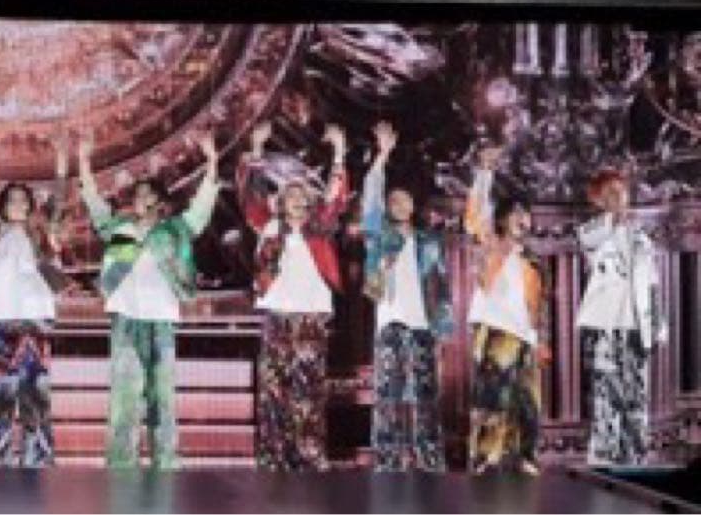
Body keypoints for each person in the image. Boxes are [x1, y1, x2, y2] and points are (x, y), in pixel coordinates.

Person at [78, 131, 220, 470]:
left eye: (148, 194)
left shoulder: (173, 230)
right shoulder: (122, 229)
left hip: (161, 316)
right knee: (125, 395)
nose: (142, 200)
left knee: (162, 395)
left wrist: (213, 161)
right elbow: (94, 203)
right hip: (126, 316)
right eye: (138, 195)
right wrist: (83, 162)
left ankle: (165, 461)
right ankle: (121, 463)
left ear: (161, 201)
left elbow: (201, 208)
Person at [235, 119, 350, 471]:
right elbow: (248, 193)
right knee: (275, 386)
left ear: (310, 202)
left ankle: (309, 454)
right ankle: (274, 454)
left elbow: (337, 195)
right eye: (291, 195)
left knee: (309, 387)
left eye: (303, 195)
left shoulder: (320, 226)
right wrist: (256, 150)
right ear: (281, 202)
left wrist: (339, 150)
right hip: (276, 314)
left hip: (310, 313)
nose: (297, 198)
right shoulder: (267, 224)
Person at [0, 136, 69, 467]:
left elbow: (58, 204)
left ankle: (39, 461)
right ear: (3, 205)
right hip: (0, 319)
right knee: (0, 397)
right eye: (12, 200)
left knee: (36, 396)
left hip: (37, 319)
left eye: (24, 200)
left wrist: (61, 167)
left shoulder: (40, 233)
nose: (18, 204)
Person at [360, 121, 453, 472]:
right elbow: (370, 198)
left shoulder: (429, 241)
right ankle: (388, 459)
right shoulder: (379, 235)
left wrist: (442, 328)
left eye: (405, 199)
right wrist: (382, 156)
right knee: (389, 394)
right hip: (391, 323)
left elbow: (441, 285)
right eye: (393, 200)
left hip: (423, 324)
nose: (399, 204)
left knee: (426, 395)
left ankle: (428, 458)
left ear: (414, 204)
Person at [464, 142, 549, 475]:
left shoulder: (534, 260)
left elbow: (539, 306)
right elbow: (475, 215)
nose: (521, 219)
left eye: (525, 213)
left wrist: (539, 340)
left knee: (527, 400)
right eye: (514, 212)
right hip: (496, 330)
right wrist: (484, 172)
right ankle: (485, 458)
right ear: (502, 218)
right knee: (493, 398)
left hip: (525, 335)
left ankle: (526, 456)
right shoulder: (491, 245)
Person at [576, 168, 665, 465]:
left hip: (636, 326)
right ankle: (605, 456)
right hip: (605, 324)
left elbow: (652, 281)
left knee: (636, 393)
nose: (618, 196)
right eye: (610, 192)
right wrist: (613, 219)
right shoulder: (592, 231)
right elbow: (588, 242)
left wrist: (658, 325)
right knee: (606, 393)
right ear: (598, 200)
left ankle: (635, 456)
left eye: (621, 190)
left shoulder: (641, 237)